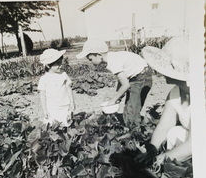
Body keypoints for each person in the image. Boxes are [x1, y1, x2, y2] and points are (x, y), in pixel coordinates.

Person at [135, 36, 191, 167]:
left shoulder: (200, 96)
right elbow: (163, 127)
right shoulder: (175, 93)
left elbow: (195, 143)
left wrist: (161, 158)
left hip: (199, 144)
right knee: (173, 132)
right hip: (192, 142)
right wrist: (151, 151)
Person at [76, 39, 153, 128]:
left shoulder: (112, 62)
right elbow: (122, 79)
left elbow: (126, 85)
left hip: (141, 79)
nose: (90, 62)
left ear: (99, 55)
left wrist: (113, 100)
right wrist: (118, 96)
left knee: (132, 110)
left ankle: (135, 133)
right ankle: (132, 128)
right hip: (139, 77)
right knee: (129, 108)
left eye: (91, 59)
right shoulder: (112, 57)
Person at [38, 48, 75, 127]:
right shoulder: (44, 79)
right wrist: (45, 110)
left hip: (65, 105)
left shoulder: (63, 75)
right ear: (48, 65)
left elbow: (68, 88)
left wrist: (72, 102)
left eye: (60, 63)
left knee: (67, 124)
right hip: (52, 107)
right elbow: (42, 95)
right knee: (53, 126)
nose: (60, 66)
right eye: (57, 64)